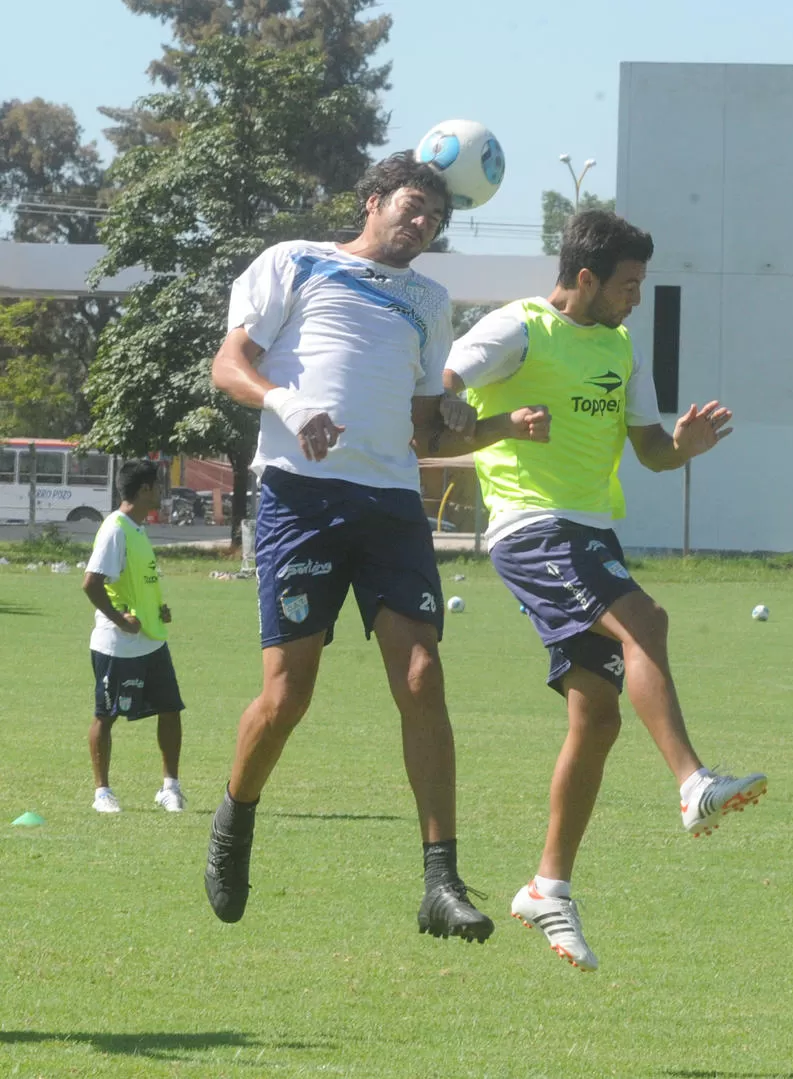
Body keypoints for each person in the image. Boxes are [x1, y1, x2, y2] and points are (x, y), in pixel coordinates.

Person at [204, 150, 550, 941]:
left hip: (391, 501)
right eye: (412, 205)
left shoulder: (430, 300)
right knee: (287, 696)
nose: (422, 222)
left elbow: (428, 429)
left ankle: (440, 881)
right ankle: (234, 820)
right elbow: (229, 365)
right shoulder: (294, 262)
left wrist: (479, 423)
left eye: (434, 215)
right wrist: (287, 406)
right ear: (372, 202)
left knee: (423, 676)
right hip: (301, 496)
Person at [444, 210, 767, 970]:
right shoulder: (517, 328)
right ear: (584, 278)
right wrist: (478, 417)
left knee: (596, 717)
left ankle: (547, 888)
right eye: (626, 285)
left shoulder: (620, 345)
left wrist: (680, 448)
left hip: (588, 532)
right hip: (532, 527)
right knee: (645, 621)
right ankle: (692, 784)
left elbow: (649, 449)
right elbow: (444, 384)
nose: (635, 299)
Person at [82, 459, 186, 814]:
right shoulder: (115, 529)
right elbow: (91, 583)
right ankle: (102, 794)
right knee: (106, 715)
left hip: (152, 639)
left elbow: (137, 583)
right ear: (144, 490)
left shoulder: (138, 529)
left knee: (170, 709)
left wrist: (159, 609)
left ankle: (170, 788)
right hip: (117, 643)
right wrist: (119, 620)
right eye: (157, 487)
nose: (160, 493)